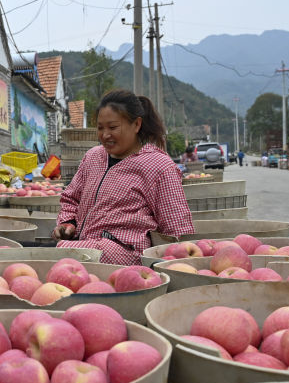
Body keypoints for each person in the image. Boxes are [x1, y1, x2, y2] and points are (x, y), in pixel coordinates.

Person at [52, 89, 195, 265]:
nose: (105, 135)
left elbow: (176, 227)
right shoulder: (93, 157)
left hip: (125, 260)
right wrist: (68, 222)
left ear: (136, 124)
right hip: (81, 249)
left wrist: (178, 265)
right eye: (100, 128)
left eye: (113, 127)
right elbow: (71, 198)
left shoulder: (158, 166)